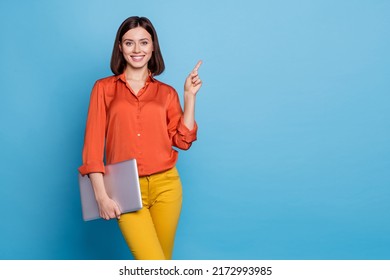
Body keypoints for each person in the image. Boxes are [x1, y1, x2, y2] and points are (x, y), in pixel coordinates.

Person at [78, 16, 202, 260]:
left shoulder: (166, 93)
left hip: (167, 187)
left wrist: (189, 97)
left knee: (162, 264)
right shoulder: (103, 89)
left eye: (144, 43)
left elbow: (182, 140)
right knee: (152, 264)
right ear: (120, 48)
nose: (137, 50)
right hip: (124, 189)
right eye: (129, 43)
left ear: (153, 47)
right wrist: (101, 196)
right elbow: (93, 146)